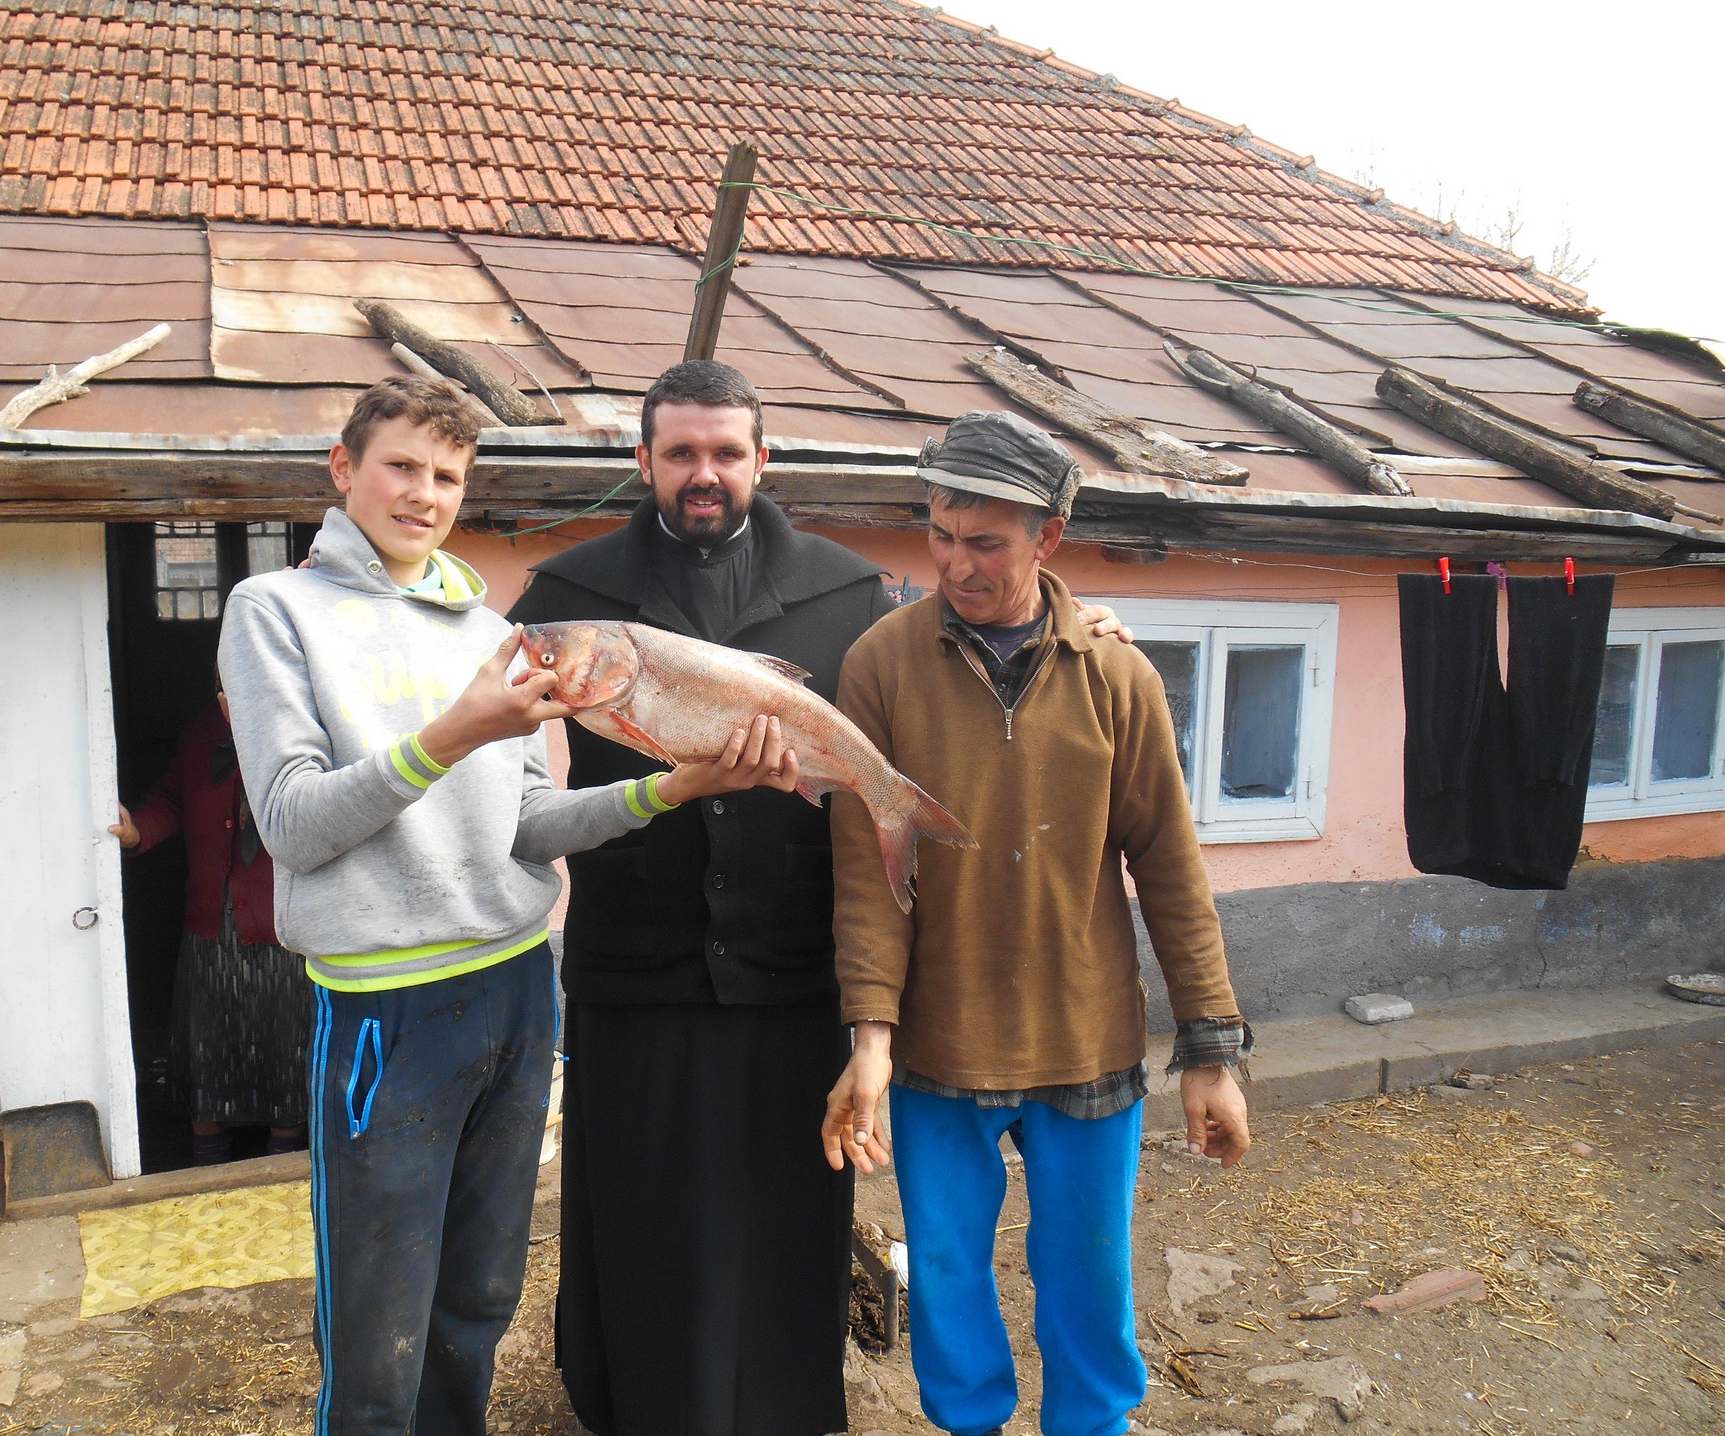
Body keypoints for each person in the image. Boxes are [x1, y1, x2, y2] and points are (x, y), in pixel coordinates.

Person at [507, 362, 1132, 1436]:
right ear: (645, 460)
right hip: (636, 966)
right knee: (644, 1217)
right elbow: (504, 762)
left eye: (726, 452)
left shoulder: (848, 590)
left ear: (763, 458)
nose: (704, 473)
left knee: (785, 1219)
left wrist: (1081, 624)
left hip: (791, 969)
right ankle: (644, 1409)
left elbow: (958, 671)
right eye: (680, 452)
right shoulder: (569, 598)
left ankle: (787, 1412)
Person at [217, 375, 794, 1436]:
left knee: (479, 1296)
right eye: (399, 465)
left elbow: (527, 822)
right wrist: (456, 730)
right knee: (378, 1326)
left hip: (519, 992)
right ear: (344, 469)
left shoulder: (492, 629)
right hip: (387, 1012)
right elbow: (294, 823)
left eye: (446, 474)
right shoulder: (275, 612)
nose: (422, 492)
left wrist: (670, 787)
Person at [822, 410, 1252, 1436]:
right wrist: (870, 1040)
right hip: (938, 1041)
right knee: (952, 1284)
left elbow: (1173, 869)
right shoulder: (881, 665)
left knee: (1089, 1285)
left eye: (986, 542)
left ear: (1048, 537)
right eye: (940, 534)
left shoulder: (1117, 673)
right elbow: (867, 874)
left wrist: (1210, 1048)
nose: (955, 563)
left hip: (1086, 1035)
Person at [111, 688, 309, 1164]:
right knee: (209, 1038)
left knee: (284, 1035)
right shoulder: (201, 734)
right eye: (223, 679)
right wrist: (137, 830)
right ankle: (207, 1153)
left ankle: (282, 1154)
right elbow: (171, 798)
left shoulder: (302, 725)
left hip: (283, 919)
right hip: (210, 916)